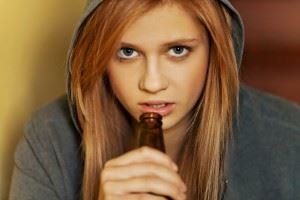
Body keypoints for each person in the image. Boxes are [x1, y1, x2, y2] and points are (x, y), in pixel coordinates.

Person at [9, 0, 300, 199]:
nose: (152, 83)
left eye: (177, 50)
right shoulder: (50, 141)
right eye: (127, 53)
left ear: (216, 48)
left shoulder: (290, 138)